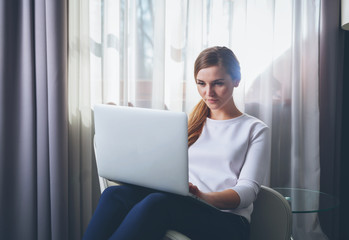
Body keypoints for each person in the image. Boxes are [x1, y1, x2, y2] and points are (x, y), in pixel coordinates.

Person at [83, 46, 270, 240]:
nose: (208, 93)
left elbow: (247, 191)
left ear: (237, 80)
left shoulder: (255, 129)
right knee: (114, 194)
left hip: (227, 221)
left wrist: (203, 196)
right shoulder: (189, 123)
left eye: (218, 83)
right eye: (201, 83)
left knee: (158, 203)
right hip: (183, 203)